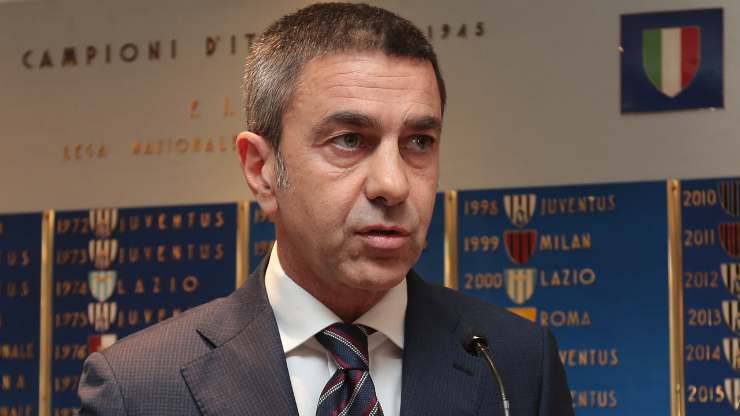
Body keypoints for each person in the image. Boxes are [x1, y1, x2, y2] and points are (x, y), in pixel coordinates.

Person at [77, 3, 574, 415]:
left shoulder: (515, 363)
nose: (393, 184)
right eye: (350, 140)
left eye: (419, 141)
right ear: (261, 169)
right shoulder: (139, 389)